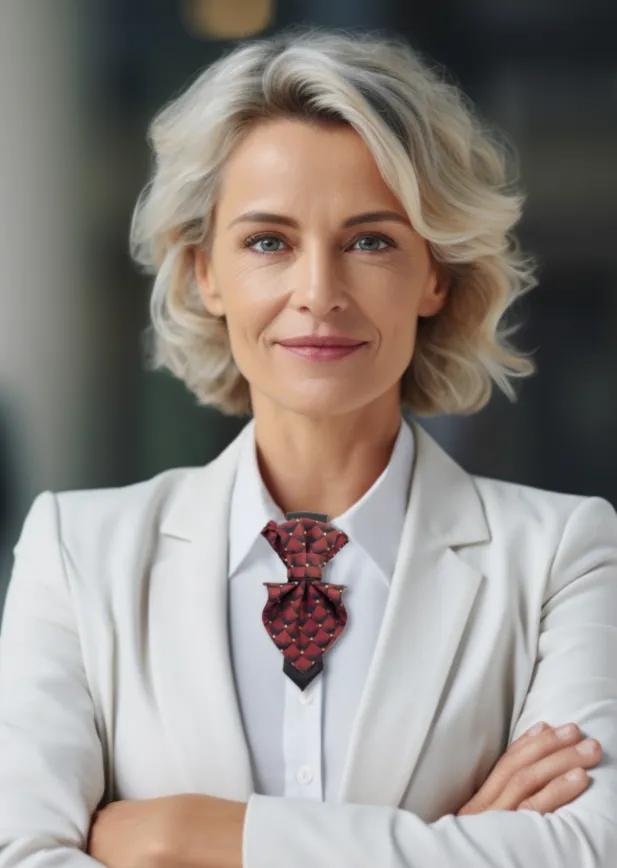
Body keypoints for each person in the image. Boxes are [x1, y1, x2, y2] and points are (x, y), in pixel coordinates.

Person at [1, 26, 616, 868]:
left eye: (370, 240)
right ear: (203, 272)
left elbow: (585, 851)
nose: (318, 294)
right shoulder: (77, 553)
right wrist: (454, 846)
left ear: (434, 272)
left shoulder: (563, 556)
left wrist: (197, 837)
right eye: (267, 242)